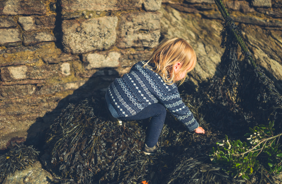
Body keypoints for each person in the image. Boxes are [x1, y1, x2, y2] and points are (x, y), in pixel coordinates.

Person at [105, 37, 205, 155]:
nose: (185, 75)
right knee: (160, 110)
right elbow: (180, 110)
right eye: (186, 71)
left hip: (109, 96)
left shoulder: (143, 64)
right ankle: (150, 147)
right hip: (121, 111)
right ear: (177, 66)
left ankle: (115, 115)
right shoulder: (167, 87)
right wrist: (195, 127)